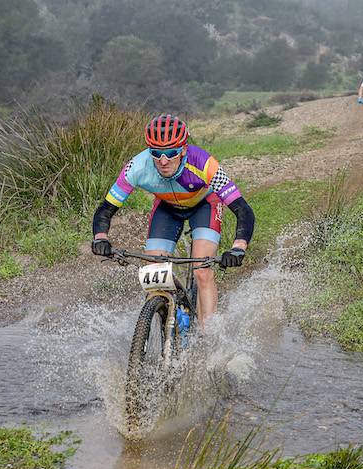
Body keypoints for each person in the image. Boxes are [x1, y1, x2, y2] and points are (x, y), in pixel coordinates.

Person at [91, 114, 255, 325]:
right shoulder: (137, 167)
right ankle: (160, 324)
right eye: (156, 153)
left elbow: (243, 209)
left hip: (204, 206)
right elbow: (106, 208)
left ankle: (207, 338)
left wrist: (238, 247)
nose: (163, 160)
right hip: (167, 209)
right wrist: (100, 237)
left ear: (184, 149)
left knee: (202, 271)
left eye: (171, 152)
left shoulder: (204, 163)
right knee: (154, 274)